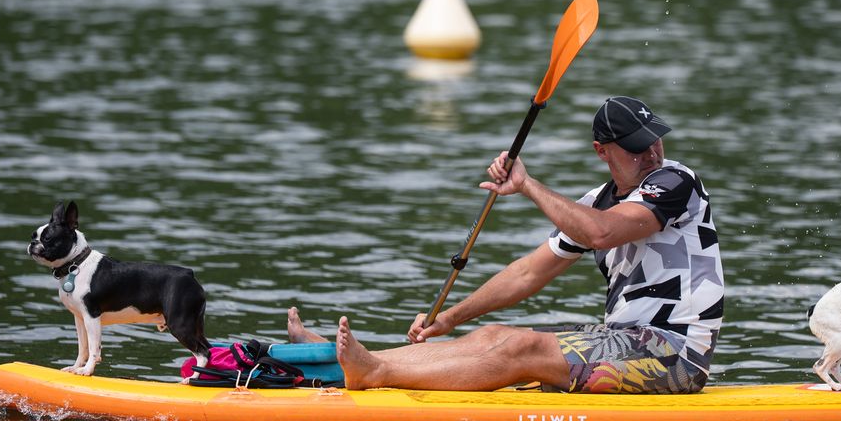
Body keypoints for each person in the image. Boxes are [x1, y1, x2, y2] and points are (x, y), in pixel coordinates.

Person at [288, 96, 724, 393]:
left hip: (675, 353)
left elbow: (601, 233)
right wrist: (451, 318)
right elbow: (528, 272)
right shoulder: (595, 203)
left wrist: (527, 185)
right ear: (602, 151)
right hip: (624, 340)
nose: (651, 153)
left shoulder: (675, 182)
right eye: (635, 148)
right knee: (493, 335)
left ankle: (377, 372)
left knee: (521, 349)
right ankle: (341, 363)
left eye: (654, 140)